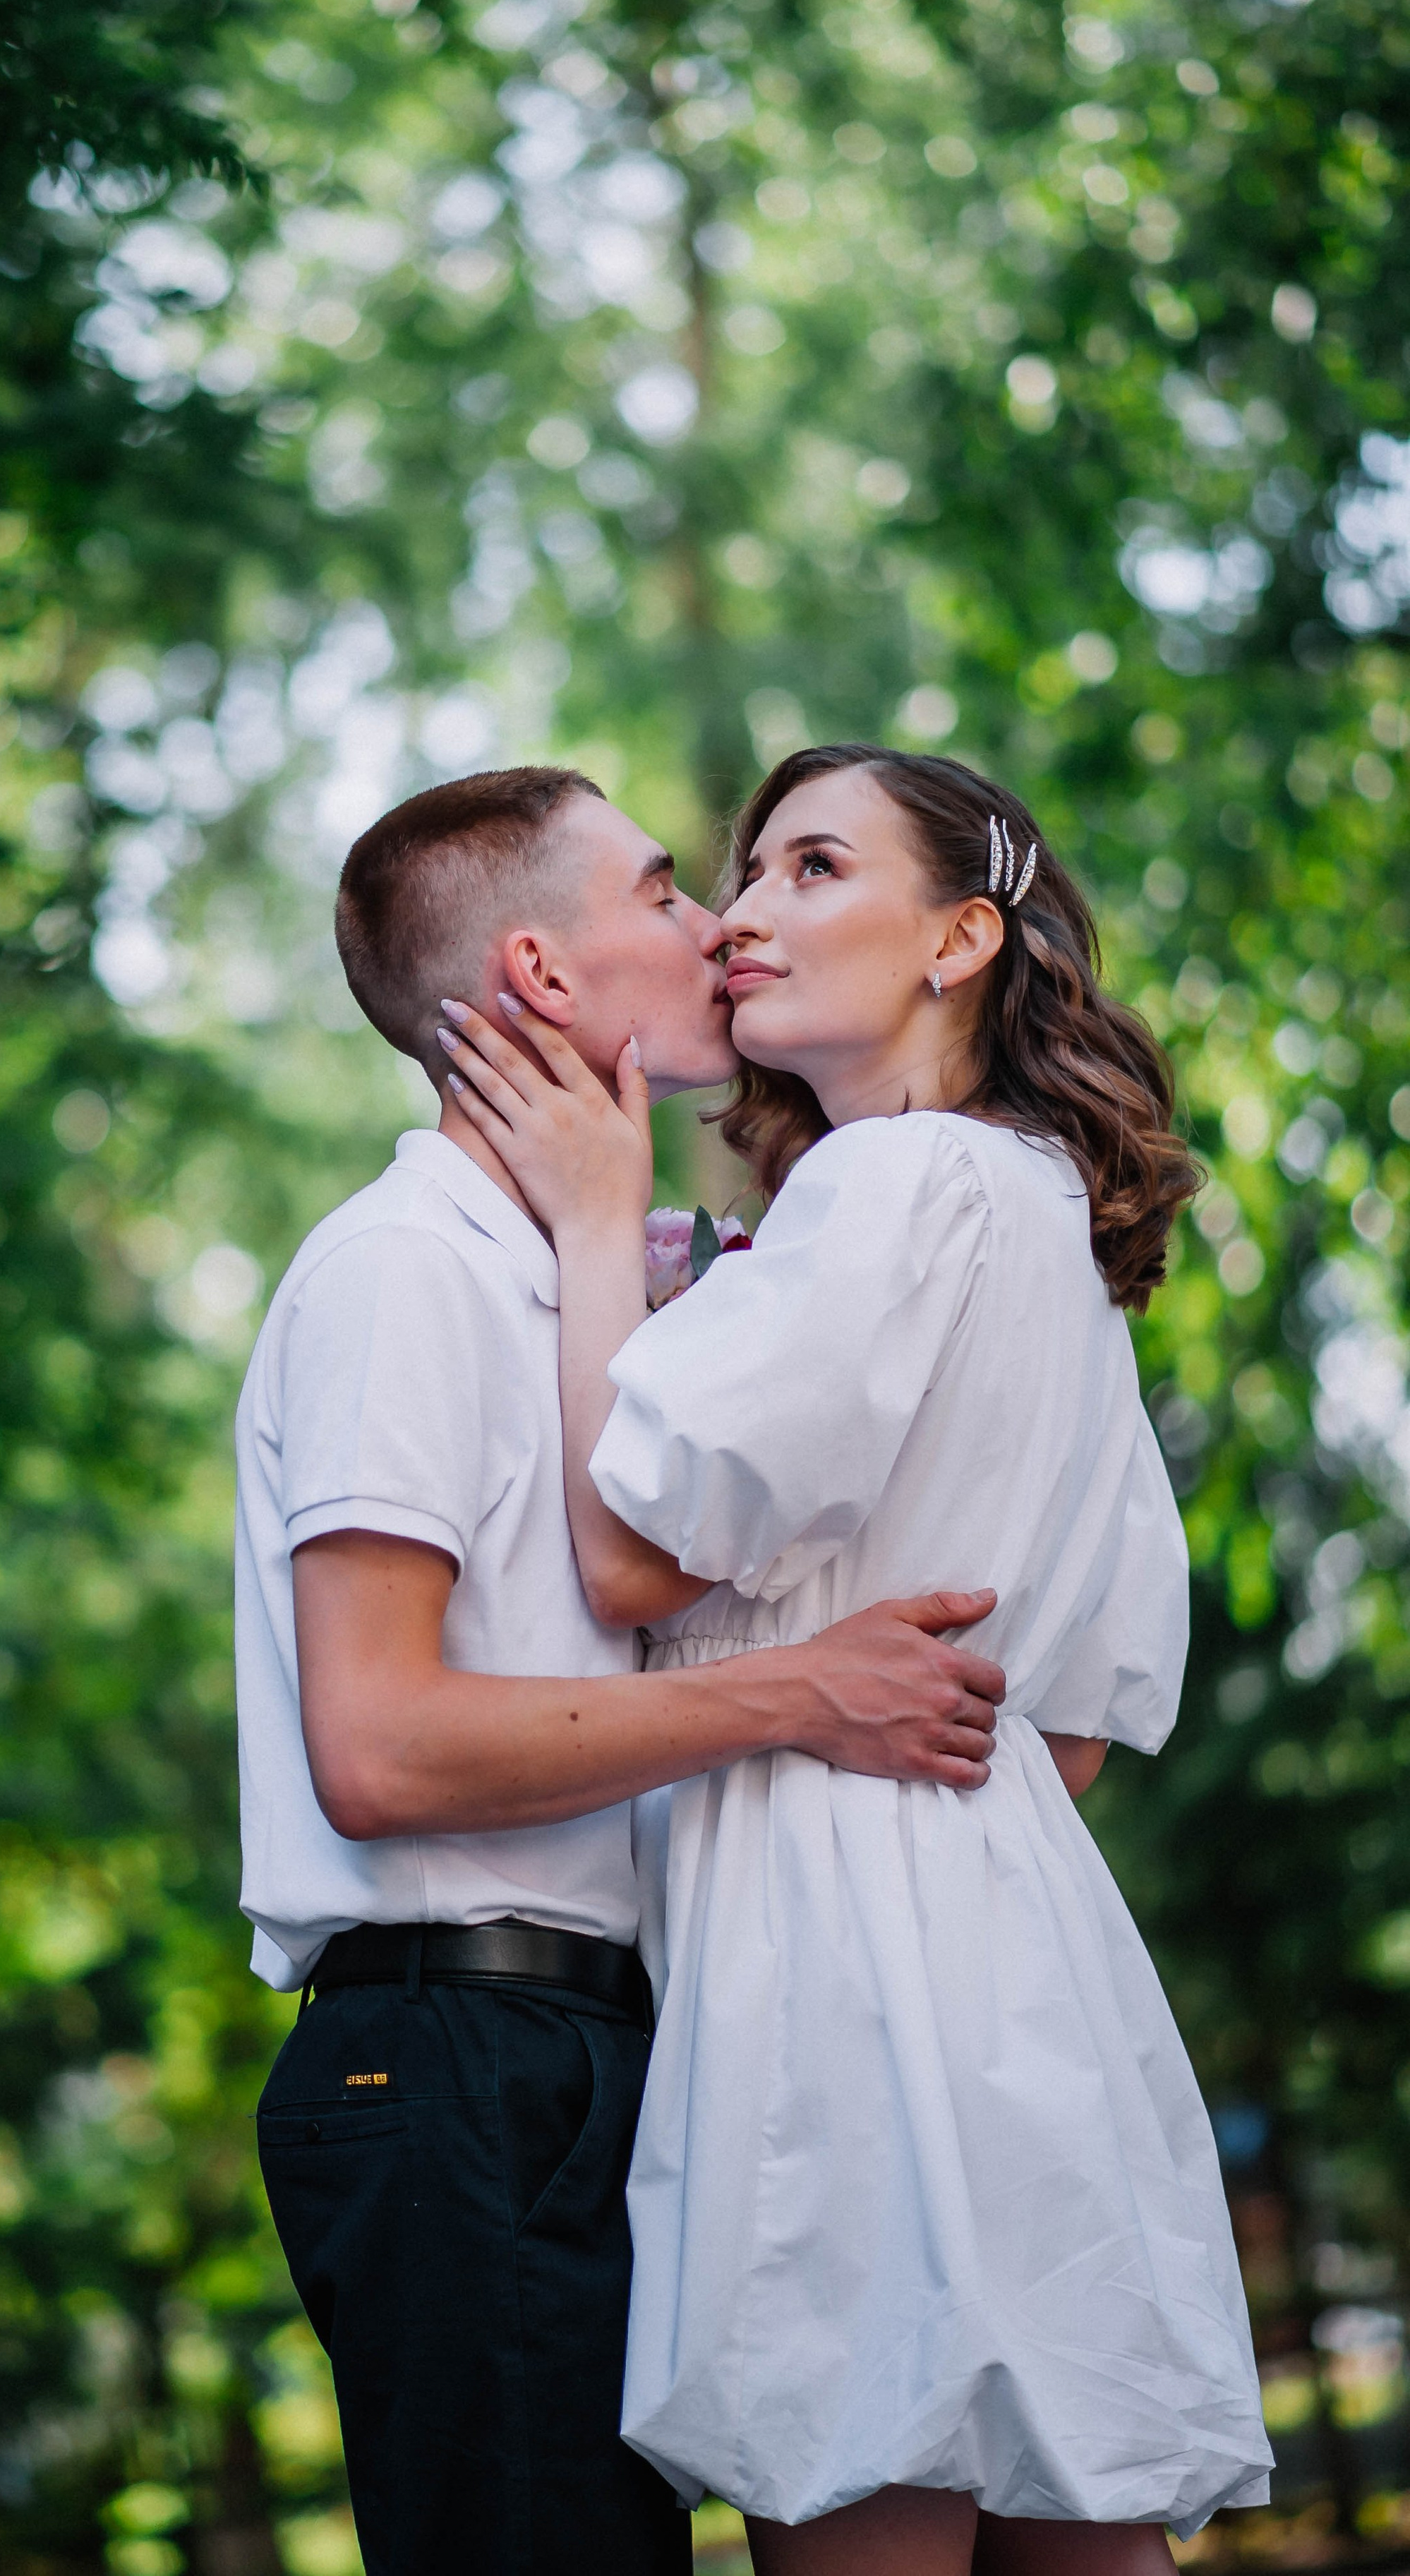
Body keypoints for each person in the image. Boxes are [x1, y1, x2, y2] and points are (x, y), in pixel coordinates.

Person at [440, 743, 1272, 2576]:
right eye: (742, 875)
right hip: (1026, 1950)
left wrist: (595, 1226)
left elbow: (625, 1549)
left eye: (814, 867)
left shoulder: (887, 1191)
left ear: (963, 936)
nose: (743, 916)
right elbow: (1072, 1734)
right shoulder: (1047, 1219)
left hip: (830, 1956)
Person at [234, 764, 1013, 2576]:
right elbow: (378, 1744)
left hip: (603, 2043)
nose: (714, 924)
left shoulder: (581, 1290)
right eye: (664, 891)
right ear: (541, 973)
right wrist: (800, 1690)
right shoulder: (397, 1275)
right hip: (452, 2054)